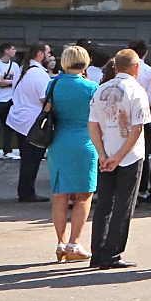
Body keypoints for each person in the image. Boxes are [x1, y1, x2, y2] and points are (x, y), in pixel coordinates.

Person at [85, 48, 150, 269]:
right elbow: (137, 127)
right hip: (129, 155)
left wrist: (103, 154)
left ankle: (98, 252)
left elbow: (92, 125)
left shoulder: (101, 88)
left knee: (104, 203)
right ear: (136, 67)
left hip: (106, 151)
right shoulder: (136, 90)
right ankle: (112, 254)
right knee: (124, 203)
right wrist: (120, 155)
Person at [44, 45, 99, 263]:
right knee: (84, 195)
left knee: (60, 193)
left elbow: (48, 109)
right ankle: (74, 243)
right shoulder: (91, 87)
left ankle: (60, 242)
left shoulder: (53, 84)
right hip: (85, 141)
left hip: (58, 141)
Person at [7, 43, 53, 202]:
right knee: (32, 158)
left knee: (27, 158)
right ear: (40, 54)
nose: (50, 56)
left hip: (19, 119)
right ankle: (27, 192)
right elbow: (44, 99)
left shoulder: (22, 70)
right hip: (31, 122)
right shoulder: (39, 74)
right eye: (48, 53)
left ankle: (25, 190)